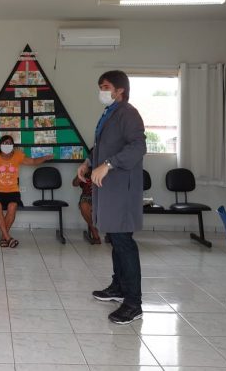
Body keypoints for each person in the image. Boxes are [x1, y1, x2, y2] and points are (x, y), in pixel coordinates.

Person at [77, 70, 146, 325]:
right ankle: (118, 287)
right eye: (100, 86)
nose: (101, 91)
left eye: (105, 87)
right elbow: (103, 145)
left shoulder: (128, 113)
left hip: (121, 188)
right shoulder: (110, 112)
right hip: (109, 187)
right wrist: (88, 162)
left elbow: (138, 146)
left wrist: (108, 164)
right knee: (115, 239)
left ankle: (133, 303)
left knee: (123, 242)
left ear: (120, 90)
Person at [72, 154, 101, 244]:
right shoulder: (86, 168)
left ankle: (111, 234)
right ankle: (94, 231)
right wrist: (81, 175)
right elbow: (74, 183)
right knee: (84, 206)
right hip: (87, 196)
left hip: (103, 196)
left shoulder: (104, 167)